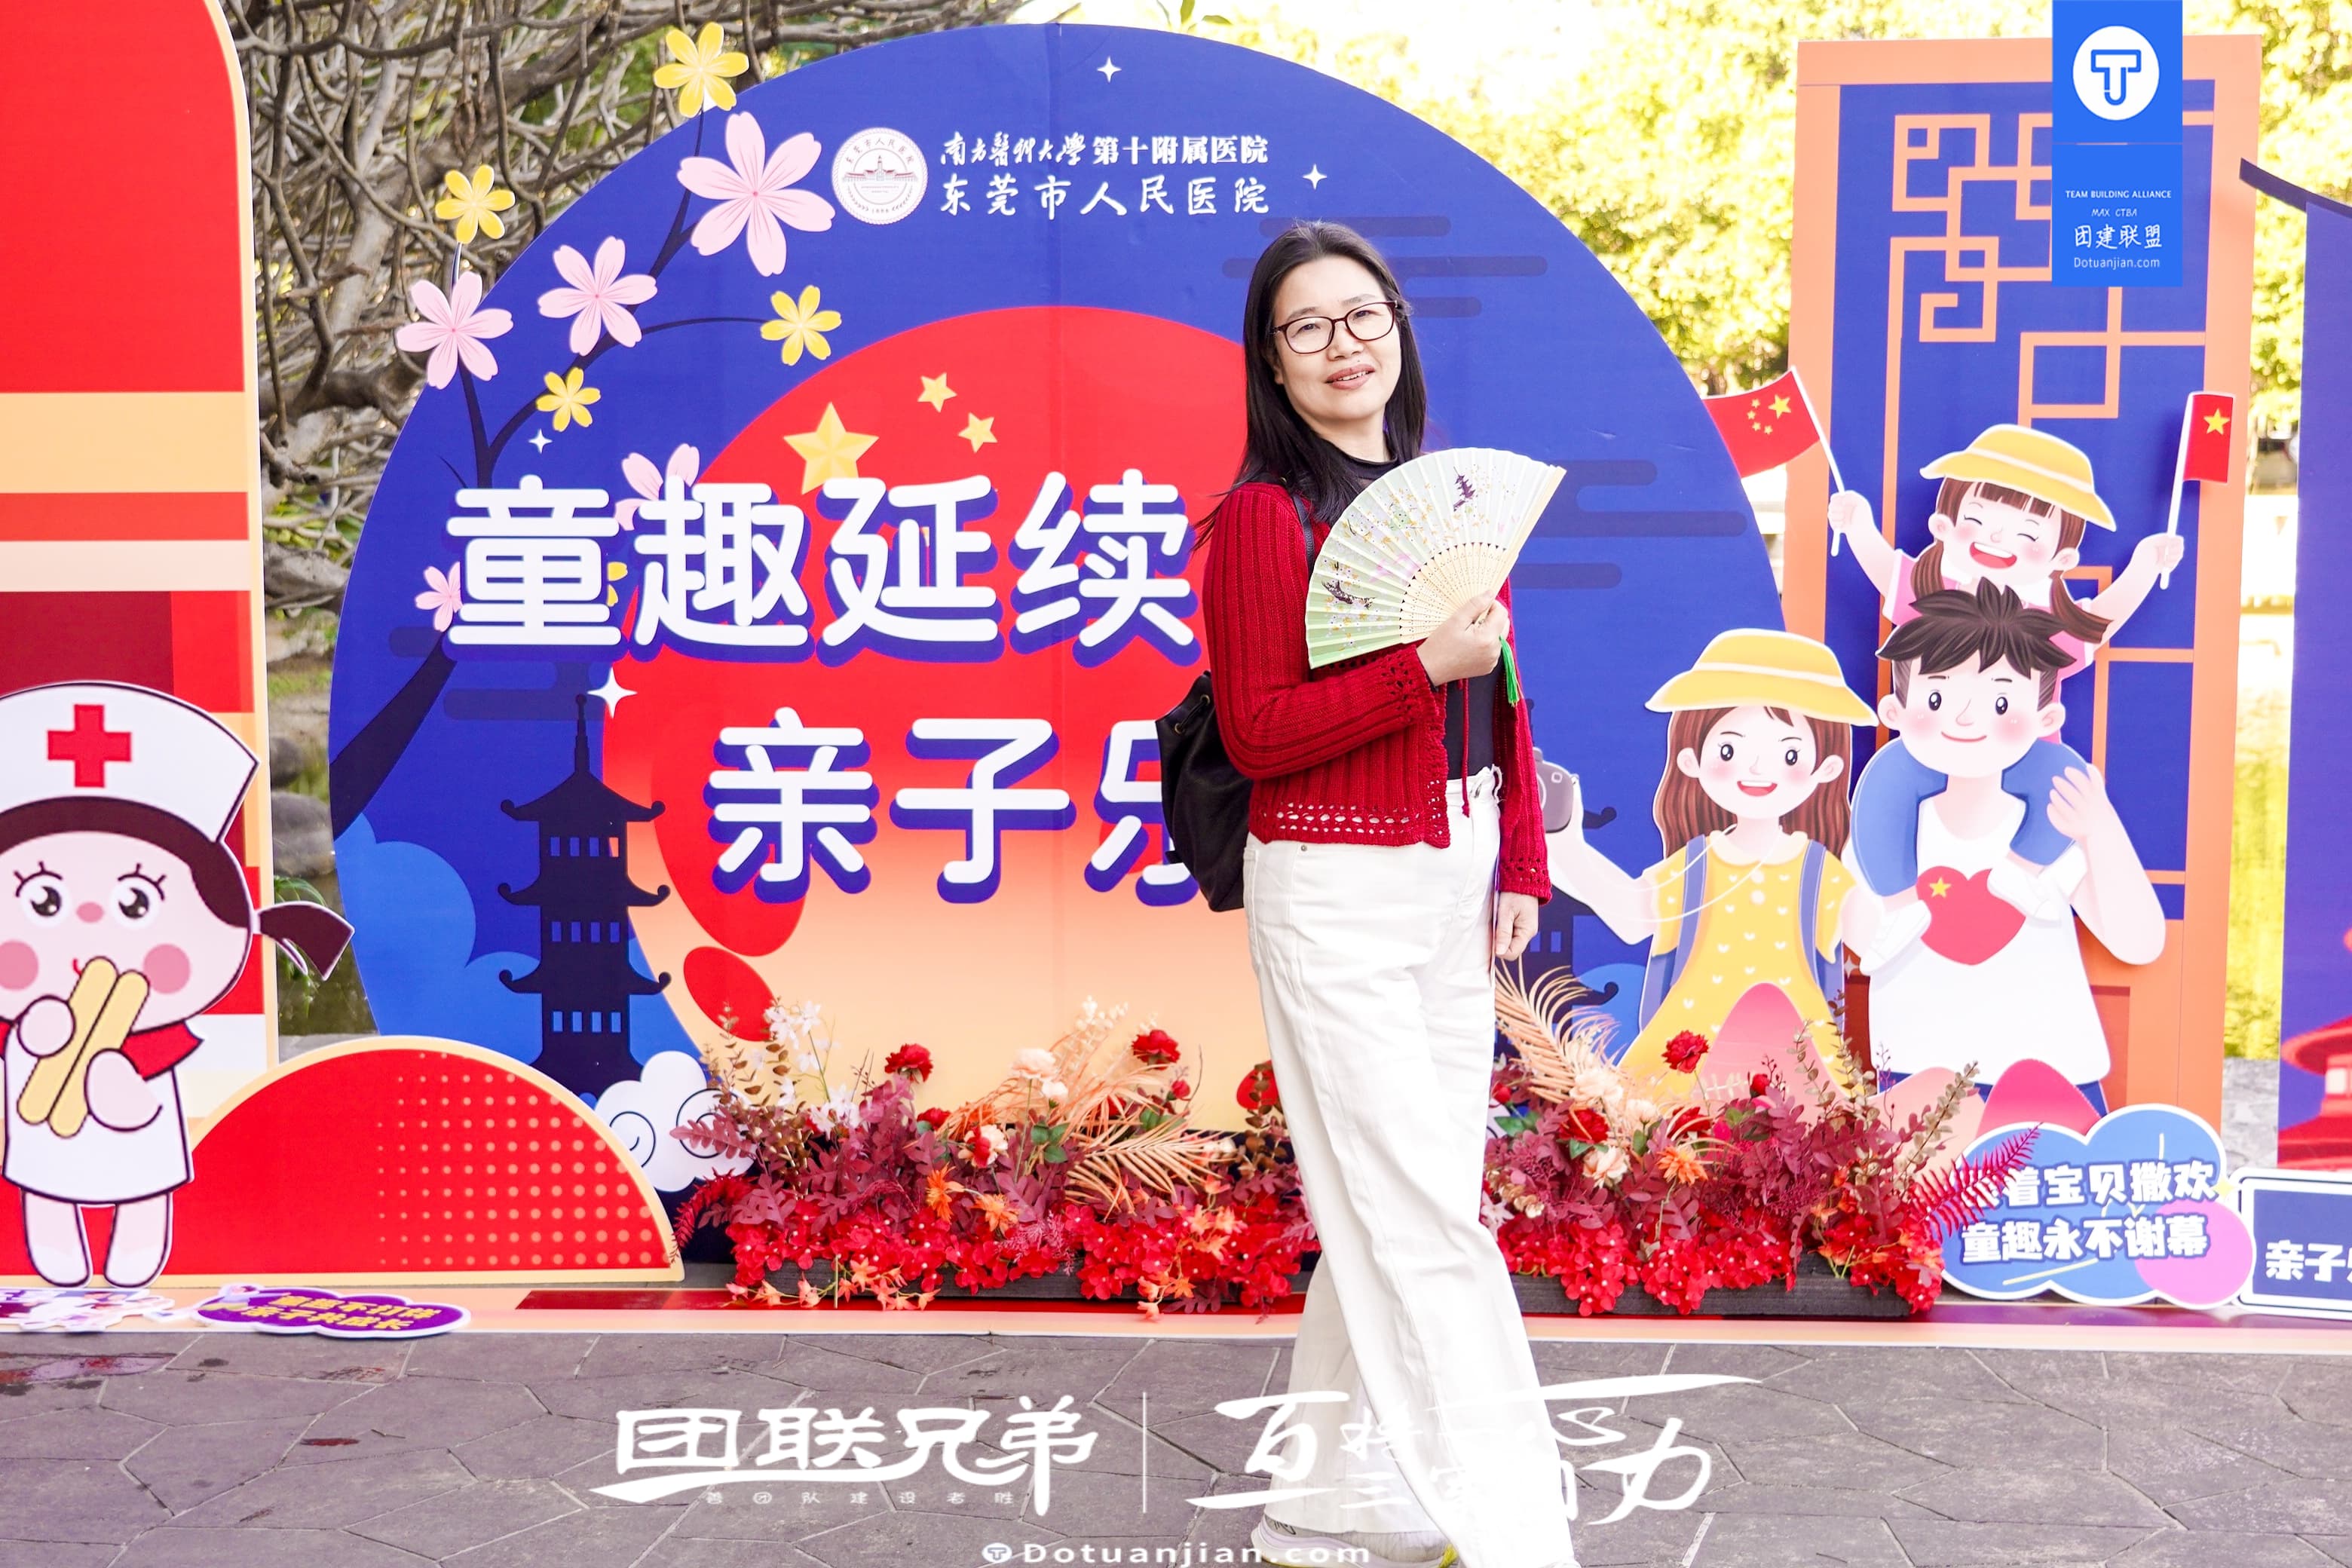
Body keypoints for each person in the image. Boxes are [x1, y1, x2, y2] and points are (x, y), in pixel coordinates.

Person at [1198, 220, 1575, 1568]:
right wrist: (1420, 665)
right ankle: (1515, 1525)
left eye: (1364, 316)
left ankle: (1325, 1495)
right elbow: (1259, 734)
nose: (1343, 345)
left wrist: (1518, 855)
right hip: (1335, 889)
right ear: (1273, 362)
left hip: (1454, 873)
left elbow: (1504, 693)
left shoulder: (1441, 497)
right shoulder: (1264, 518)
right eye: (1307, 327)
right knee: (1423, 1213)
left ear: (1399, 329)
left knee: (1404, 1198)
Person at [0, 681, 351, 1287]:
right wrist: (41, 1034)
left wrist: (122, 1085)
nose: (92, 923)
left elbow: (159, 1068)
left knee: (143, 1178)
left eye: (136, 903)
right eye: (45, 900)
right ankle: (53, 1240)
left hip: (143, 1142)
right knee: (44, 1175)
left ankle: (140, 1242)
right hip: (41, 1140)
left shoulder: (153, 1024)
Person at [1827, 424, 2185, 928]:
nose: (1996, 538)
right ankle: (1896, 900)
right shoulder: (1928, 595)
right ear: (1943, 526)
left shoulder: (2050, 626)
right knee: (1883, 785)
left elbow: (2103, 619)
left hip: (2021, 750)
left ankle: (2022, 870)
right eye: (1977, 519)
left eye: (2027, 533)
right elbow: (1884, 569)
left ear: (2063, 559)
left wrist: (2145, 567)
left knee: (2064, 781)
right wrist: (1858, 524)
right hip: (1928, 744)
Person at [1847, 582, 2166, 1110]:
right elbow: (1860, 939)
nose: (1965, 719)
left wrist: (2099, 829)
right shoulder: (1884, 828)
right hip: (1917, 1071)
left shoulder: (2058, 820)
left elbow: (2140, 943)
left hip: (2049, 1071)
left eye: (1999, 701)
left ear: (2047, 720)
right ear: (1895, 712)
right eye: (1937, 698)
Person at [1543, 630, 1875, 1091]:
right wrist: (1563, 844)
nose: (1757, 769)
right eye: (1730, 750)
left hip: (1795, 1076)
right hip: (1687, 1067)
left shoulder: (1820, 875)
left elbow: (1876, 940)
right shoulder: (1697, 866)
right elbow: (1632, 916)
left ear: (1827, 768)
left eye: (1789, 754)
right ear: (1690, 760)